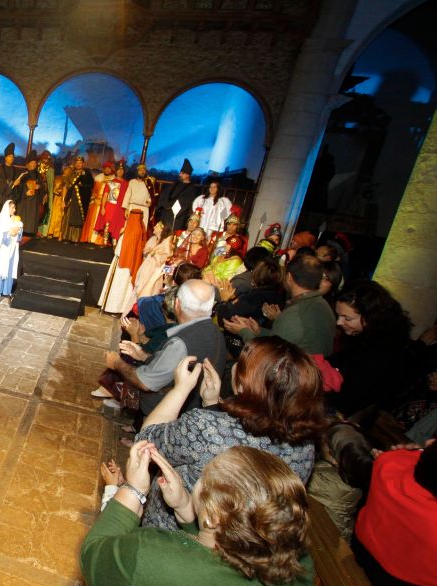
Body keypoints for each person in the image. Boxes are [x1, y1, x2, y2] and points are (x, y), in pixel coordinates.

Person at [136, 336, 327, 528]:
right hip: (245, 540)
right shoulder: (305, 447)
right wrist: (212, 404)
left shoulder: (205, 428)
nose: (235, 365)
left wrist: (181, 389)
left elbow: (144, 443)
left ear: (244, 385)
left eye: (241, 363)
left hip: (176, 533)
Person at [80, 443, 314, 586]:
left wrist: (133, 490)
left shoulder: (151, 558)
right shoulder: (299, 564)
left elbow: (92, 554)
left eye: (204, 476)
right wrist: (185, 506)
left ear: (213, 516)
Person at [104, 280, 226, 419]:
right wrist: (144, 356)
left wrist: (116, 363)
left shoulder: (180, 343)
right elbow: (172, 365)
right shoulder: (215, 331)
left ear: (177, 304)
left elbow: (146, 382)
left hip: (166, 418)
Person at [328, 280, 425, 418]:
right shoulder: (363, 335)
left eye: (347, 318)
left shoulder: (383, 352)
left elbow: (352, 398)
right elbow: (343, 359)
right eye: (338, 315)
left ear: (370, 317)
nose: (339, 322)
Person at [353, 439, 437, 586]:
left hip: (364, 556)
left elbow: (406, 455)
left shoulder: (388, 463)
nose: (428, 441)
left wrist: (422, 452)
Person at [224, 254, 336, 357]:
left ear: (289, 277)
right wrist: (259, 332)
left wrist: (244, 332)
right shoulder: (324, 307)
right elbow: (288, 341)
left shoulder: (293, 315)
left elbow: (268, 357)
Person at [98, 173, 151, 314]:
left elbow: (118, 250)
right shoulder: (140, 231)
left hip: (123, 265)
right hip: (129, 265)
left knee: (118, 286)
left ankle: (112, 307)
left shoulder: (131, 232)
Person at [155, 159, 198, 232]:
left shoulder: (191, 189)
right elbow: (165, 195)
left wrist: (172, 208)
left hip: (177, 218)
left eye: (182, 173)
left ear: (187, 175)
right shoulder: (175, 184)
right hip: (166, 214)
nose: (179, 174)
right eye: (180, 173)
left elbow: (185, 204)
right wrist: (164, 206)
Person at [0, 200, 23, 297]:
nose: (14, 210)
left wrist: (16, 229)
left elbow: (18, 234)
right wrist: (11, 232)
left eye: (14, 208)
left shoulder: (14, 219)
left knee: (9, 269)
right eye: (12, 207)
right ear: (7, 208)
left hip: (12, 249)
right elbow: (2, 235)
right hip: (2, 249)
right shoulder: (1, 219)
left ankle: (5, 290)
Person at [60, 156, 94, 242]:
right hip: (71, 199)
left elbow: (90, 185)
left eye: (80, 163)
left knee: (78, 217)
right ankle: (66, 236)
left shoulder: (87, 174)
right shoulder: (71, 174)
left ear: (83, 164)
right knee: (68, 216)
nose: (78, 164)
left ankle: (76, 238)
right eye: (77, 163)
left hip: (81, 200)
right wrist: (63, 200)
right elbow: (67, 187)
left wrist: (81, 186)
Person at [81, 161, 114, 244]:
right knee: (92, 220)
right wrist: (94, 199)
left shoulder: (113, 181)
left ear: (111, 170)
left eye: (109, 169)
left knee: (103, 222)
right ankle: (89, 238)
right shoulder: (98, 178)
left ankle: (99, 240)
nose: (107, 170)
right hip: (96, 203)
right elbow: (94, 192)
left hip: (106, 204)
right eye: (105, 168)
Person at [15, 150, 43, 235]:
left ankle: (31, 232)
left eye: (35, 163)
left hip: (34, 200)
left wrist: (39, 187)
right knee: (25, 216)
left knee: (32, 216)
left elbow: (42, 186)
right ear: (27, 164)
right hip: (25, 199)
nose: (33, 164)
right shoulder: (23, 173)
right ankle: (23, 231)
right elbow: (18, 185)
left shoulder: (38, 175)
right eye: (32, 163)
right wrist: (25, 191)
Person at [0, 142, 17, 215]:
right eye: (9, 156)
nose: (11, 158)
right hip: (0, 200)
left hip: (10, 200)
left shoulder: (15, 170)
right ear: (5, 157)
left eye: (13, 157)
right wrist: (12, 184)